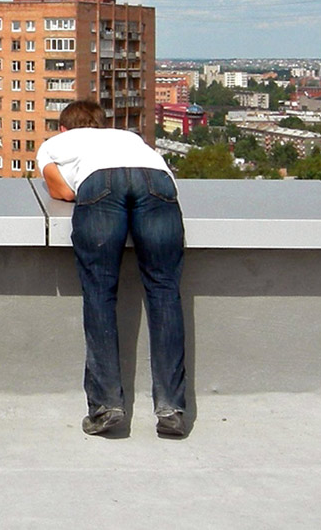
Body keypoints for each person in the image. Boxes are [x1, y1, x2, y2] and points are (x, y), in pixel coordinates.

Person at [37, 99, 187, 438]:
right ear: (101, 125)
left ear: (63, 128)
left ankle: (106, 406)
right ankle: (171, 409)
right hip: (158, 183)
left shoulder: (54, 144)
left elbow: (61, 190)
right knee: (164, 291)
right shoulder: (129, 138)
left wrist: (98, 198)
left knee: (100, 293)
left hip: (100, 184)